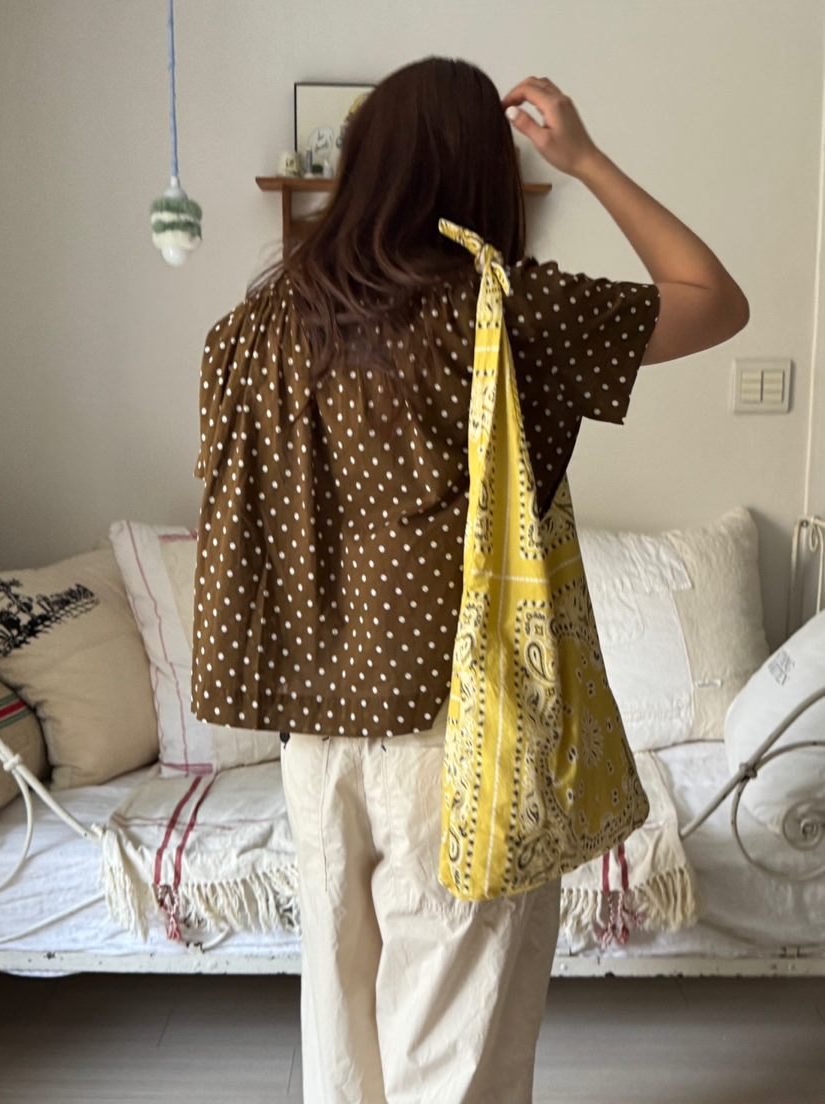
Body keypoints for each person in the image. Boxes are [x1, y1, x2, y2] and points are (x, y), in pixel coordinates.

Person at [192, 58, 748, 1104]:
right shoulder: (502, 313)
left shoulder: (253, 330)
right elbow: (714, 301)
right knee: (454, 1059)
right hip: (461, 738)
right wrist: (585, 160)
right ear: (479, 173)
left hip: (315, 745)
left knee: (342, 1039)